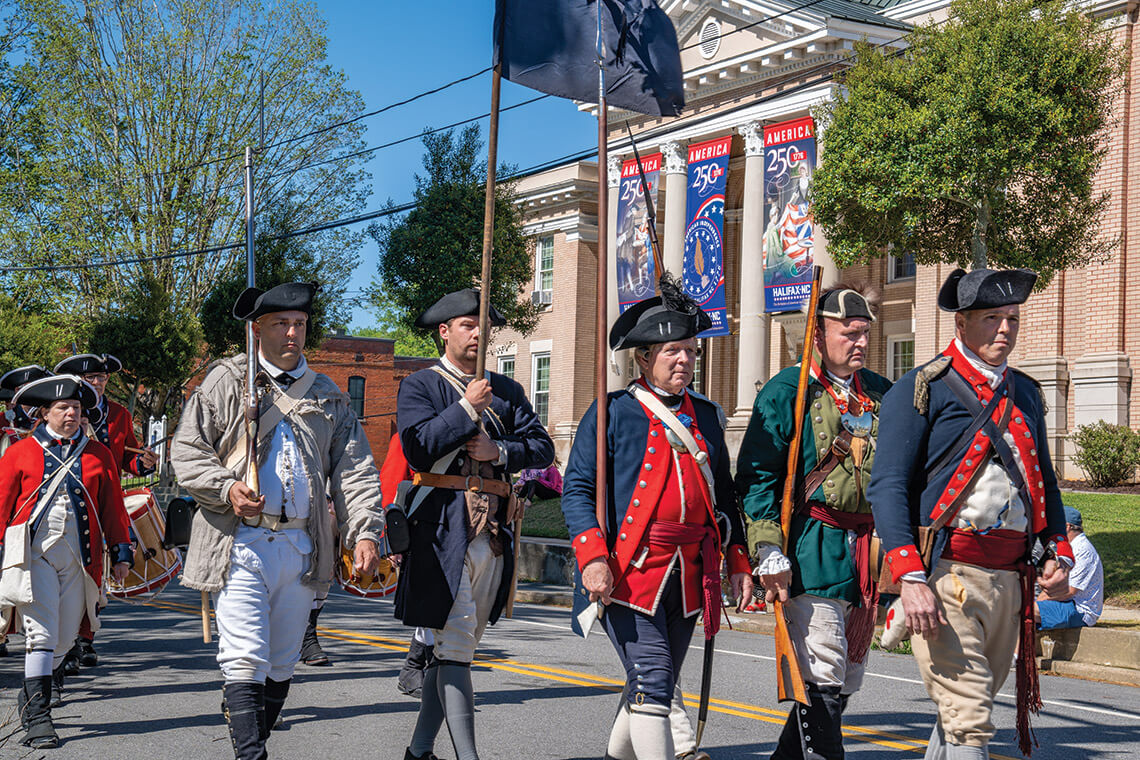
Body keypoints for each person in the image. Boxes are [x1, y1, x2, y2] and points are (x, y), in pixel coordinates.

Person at [172, 281, 385, 760]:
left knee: (283, 661)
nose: (292, 333)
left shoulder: (329, 396)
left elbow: (353, 471)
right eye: (281, 324)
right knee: (244, 655)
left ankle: (250, 735)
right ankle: (251, 754)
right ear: (256, 329)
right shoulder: (227, 381)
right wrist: (226, 487)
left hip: (302, 546)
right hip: (240, 540)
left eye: (300, 324)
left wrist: (365, 530)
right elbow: (186, 450)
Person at [868, 268, 1074, 760]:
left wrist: (1057, 552)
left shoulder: (1024, 392)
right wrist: (911, 577)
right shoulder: (922, 388)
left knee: (960, 712)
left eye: (1012, 319)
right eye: (991, 319)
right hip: (946, 575)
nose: (1005, 329)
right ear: (961, 323)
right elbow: (888, 486)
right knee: (971, 720)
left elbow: (1042, 480)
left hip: (1009, 576)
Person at [561, 276, 753, 760]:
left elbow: (725, 498)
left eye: (690, 350)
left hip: (691, 575)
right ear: (644, 358)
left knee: (651, 684)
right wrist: (592, 557)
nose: (685, 360)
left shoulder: (707, 416)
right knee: (653, 676)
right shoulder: (612, 412)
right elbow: (578, 489)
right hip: (630, 570)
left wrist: (737, 560)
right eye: (673, 351)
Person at [397, 288, 554, 760]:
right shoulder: (421, 385)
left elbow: (541, 448)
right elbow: (418, 448)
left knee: (453, 651)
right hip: (440, 535)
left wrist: (499, 452)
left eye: (483, 325)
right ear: (444, 332)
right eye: (468, 325)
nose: (478, 333)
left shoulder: (506, 391)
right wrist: (466, 408)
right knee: (458, 645)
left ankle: (419, 751)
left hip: (493, 536)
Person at [736, 285, 891, 760]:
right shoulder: (787, 390)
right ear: (818, 336)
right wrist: (766, 548)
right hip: (810, 546)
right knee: (821, 672)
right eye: (848, 334)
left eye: (864, 333)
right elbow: (757, 478)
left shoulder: (883, 393)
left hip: (866, 551)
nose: (860, 342)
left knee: (844, 679)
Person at [0, 374, 133, 749]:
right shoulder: (20, 452)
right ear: (45, 413)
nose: (72, 413)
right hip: (33, 555)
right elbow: (2, 504)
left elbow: (112, 508)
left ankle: (31, 696)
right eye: (63, 408)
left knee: (65, 638)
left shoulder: (98, 454)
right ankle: (40, 718)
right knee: (41, 633)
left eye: (76, 408)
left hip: (80, 559)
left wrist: (121, 551)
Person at [53, 352, 158, 671]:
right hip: (63, 502)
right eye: (90, 379)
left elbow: (129, 456)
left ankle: (84, 640)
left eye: (101, 378)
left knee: (93, 575)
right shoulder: (62, 413)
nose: (97, 383)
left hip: (102, 503)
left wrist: (144, 463)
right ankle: (62, 642)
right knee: (62, 577)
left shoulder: (118, 414)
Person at [1036, 505, 1102, 630]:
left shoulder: (1083, 550)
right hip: (1065, 603)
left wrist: (1038, 602)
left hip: (1080, 611)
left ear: (1066, 527)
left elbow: (1068, 591)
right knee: (1016, 611)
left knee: (1023, 612)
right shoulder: (1069, 547)